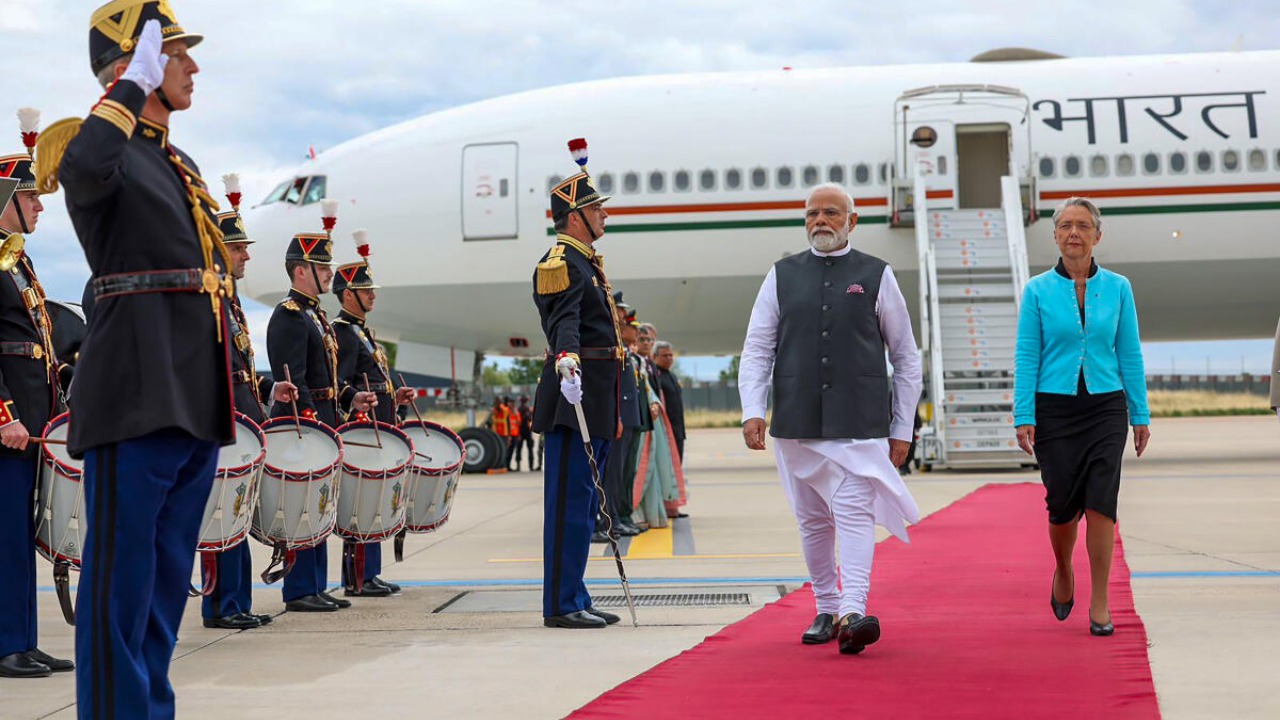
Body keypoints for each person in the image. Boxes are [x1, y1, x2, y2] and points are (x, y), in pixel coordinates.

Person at [44, 5, 234, 715]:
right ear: (137, 63)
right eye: (174, 53)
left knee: (160, 590)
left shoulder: (172, 161)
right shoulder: (104, 149)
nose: (190, 67)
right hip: (135, 391)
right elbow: (86, 168)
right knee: (119, 593)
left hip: (191, 394)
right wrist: (126, 87)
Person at [738, 183, 922, 656]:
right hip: (797, 421)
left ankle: (853, 610)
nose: (820, 220)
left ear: (852, 221)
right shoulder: (781, 275)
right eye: (812, 213)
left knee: (855, 513)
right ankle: (825, 605)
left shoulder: (877, 275)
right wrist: (752, 410)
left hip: (860, 422)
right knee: (813, 520)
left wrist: (903, 427)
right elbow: (758, 348)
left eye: (831, 213)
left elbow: (905, 355)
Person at [1014, 196, 1151, 637]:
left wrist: (1140, 413)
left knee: (1101, 501)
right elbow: (1027, 355)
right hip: (1054, 407)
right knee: (1061, 506)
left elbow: (1129, 352)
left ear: (1097, 235)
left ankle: (1100, 600)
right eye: (1066, 225)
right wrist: (1023, 413)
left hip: (1106, 406)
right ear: (1055, 235)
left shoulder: (1119, 287)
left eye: (1082, 225)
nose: (1074, 232)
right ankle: (1063, 569)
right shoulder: (1036, 290)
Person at [531, 139, 622, 629]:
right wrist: (566, 360)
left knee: (586, 506)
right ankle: (562, 604)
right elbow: (563, 321)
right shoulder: (561, 262)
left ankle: (576, 595)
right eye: (594, 209)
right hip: (575, 398)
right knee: (569, 505)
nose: (603, 216)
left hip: (597, 398)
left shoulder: (587, 262)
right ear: (573, 217)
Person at [266, 215, 377, 613]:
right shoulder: (290, 315)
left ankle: (315, 584)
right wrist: (311, 420)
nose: (330, 274)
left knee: (322, 505)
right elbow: (292, 378)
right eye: (323, 267)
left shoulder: (315, 315)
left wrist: (350, 400)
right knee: (304, 507)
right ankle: (298, 589)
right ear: (301, 270)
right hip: (305, 426)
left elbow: (327, 377)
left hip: (326, 419)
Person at [201, 177, 296, 630]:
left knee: (236, 512)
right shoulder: (208, 297)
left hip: (242, 417)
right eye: (239, 248)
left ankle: (236, 601)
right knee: (222, 514)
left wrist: (265, 392)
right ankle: (220, 605)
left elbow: (236, 368)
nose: (246, 256)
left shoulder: (231, 301)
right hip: (221, 422)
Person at [0, 119, 75, 679]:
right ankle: (7, 643)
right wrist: (4, 415)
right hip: (9, 427)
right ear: (7, 199)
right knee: (4, 535)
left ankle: (23, 636)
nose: (41, 207)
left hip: (33, 424)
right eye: (31, 197)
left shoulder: (17, 261)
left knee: (19, 535)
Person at [331, 231, 414, 597]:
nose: (372, 295)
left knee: (378, 503)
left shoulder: (362, 332)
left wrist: (397, 393)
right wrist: (356, 401)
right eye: (366, 291)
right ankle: (357, 578)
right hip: (363, 427)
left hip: (381, 422)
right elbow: (342, 381)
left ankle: (371, 573)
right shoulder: (344, 333)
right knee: (363, 504)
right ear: (348, 295)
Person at [632, 325, 686, 528]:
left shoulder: (663, 373)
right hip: (648, 427)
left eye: (650, 340)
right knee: (644, 471)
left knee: (665, 468)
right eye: (643, 339)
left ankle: (667, 507)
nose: (646, 343)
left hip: (668, 430)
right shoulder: (642, 366)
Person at [599, 304, 643, 538]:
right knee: (612, 473)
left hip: (627, 418)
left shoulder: (623, 348)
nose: (632, 328)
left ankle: (615, 517)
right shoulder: (614, 346)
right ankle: (610, 519)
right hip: (619, 419)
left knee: (620, 473)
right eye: (622, 318)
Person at [653, 340, 686, 462]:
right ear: (655, 357)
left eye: (671, 355)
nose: (669, 358)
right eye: (665, 355)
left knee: (677, 466)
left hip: (678, 431)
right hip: (665, 432)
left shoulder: (672, 376)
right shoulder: (655, 376)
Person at [516, 396, 536, 471]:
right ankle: (530, 466)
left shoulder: (519, 409)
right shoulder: (527, 409)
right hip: (526, 431)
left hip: (522, 431)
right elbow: (530, 419)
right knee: (529, 449)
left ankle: (519, 466)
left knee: (520, 449)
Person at [505, 395, 523, 471]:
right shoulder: (506, 411)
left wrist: (515, 414)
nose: (511, 405)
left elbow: (519, 423)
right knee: (507, 451)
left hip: (515, 434)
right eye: (510, 403)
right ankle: (506, 466)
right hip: (508, 434)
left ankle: (509, 466)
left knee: (512, 451)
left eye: (513, 403)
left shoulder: (516, 412)